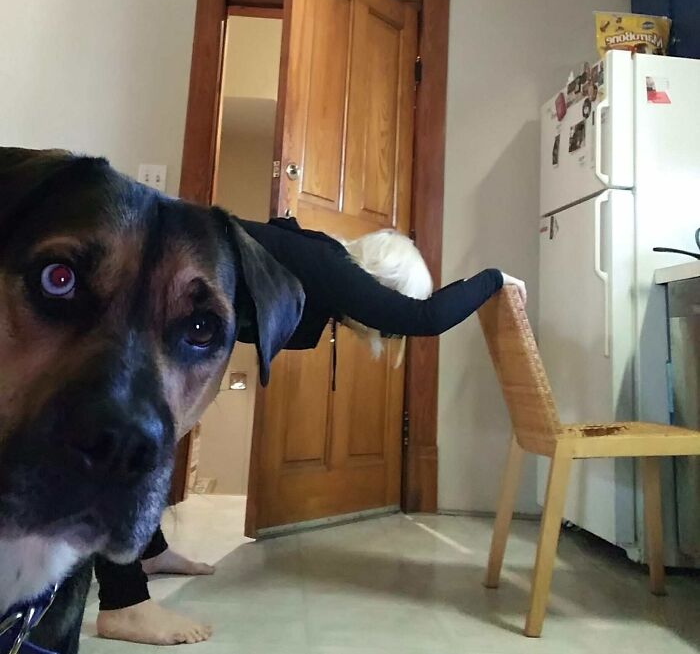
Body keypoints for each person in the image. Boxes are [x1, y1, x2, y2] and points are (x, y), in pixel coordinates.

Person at [94, 217, 527, 645]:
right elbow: (424, 318)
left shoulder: (314, 269)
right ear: (384, 281)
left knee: (162, 426)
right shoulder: (332, 264)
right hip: (152, 290)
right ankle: (123, 603)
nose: (384, 329)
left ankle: (147, 552)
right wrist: (494, 279)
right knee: (141, 426)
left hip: (166, 293)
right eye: (386, 315)